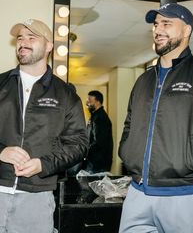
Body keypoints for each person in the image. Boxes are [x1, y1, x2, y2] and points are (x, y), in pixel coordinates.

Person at [118, 3, 193, 233]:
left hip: (188, 193)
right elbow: (130, 123)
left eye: (166, 23)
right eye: (155, 24)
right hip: (138, 193)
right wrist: (127, 151)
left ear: (187, 30)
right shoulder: (143, 81)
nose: (158, 29)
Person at [0, 19, 88, 233]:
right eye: (20, 38)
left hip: (36, 199)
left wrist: (44, 164)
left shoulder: (66, 94)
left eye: (32, 37)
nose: (23, 42)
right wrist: (1, 151)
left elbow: (78, 144)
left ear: (49, 45)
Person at [84, 90, 113, 173]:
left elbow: (99, 142)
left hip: (97, 165)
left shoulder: (101, 119)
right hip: (94, 163)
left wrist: (84, 152)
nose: (87, 103)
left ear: (97, 102)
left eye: (89, 100)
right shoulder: (94, 117)